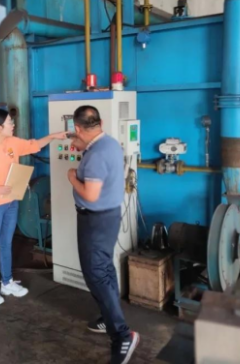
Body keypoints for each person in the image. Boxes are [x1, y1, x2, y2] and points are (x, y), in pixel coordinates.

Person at [0, 108, 67, 306]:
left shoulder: (11, 143)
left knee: (6, 243)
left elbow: (33, 145)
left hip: (11, 201)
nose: (13, 125)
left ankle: (7, 282)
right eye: (10, 123)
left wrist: (53, 136)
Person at [66, 105, 139, 364]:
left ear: (77, 127)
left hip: (95, 221)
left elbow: (90, 194)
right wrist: (82, 147)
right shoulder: (109, 144)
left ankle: (122, 335)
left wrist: (72, 176)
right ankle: (109, 318)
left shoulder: (96, 155)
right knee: (104, 269)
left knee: (96, 274)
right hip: (107, 218)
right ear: (100, 123)